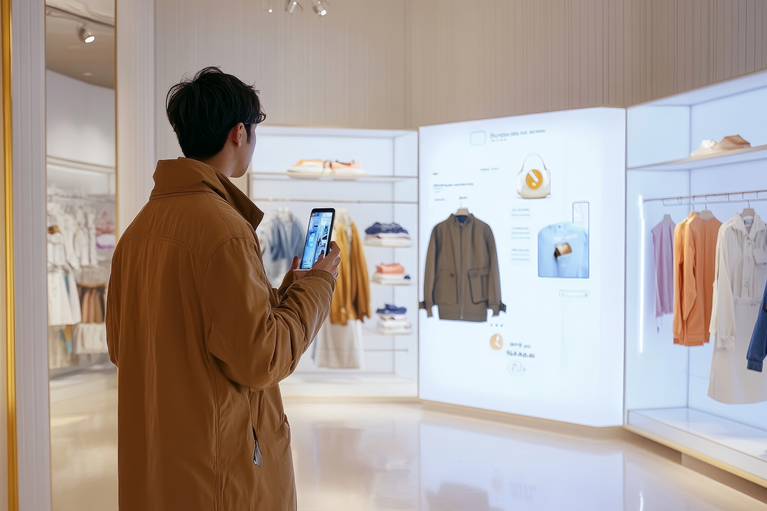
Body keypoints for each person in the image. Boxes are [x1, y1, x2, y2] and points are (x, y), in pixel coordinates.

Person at [106, 67, 341, 510]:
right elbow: (262, 358)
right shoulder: (225, 230)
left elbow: (125, 348)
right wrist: (320, 286)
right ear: (239, 133)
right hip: (221, 475)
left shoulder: (136, 233)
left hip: (161, 467)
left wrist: (294, 287)